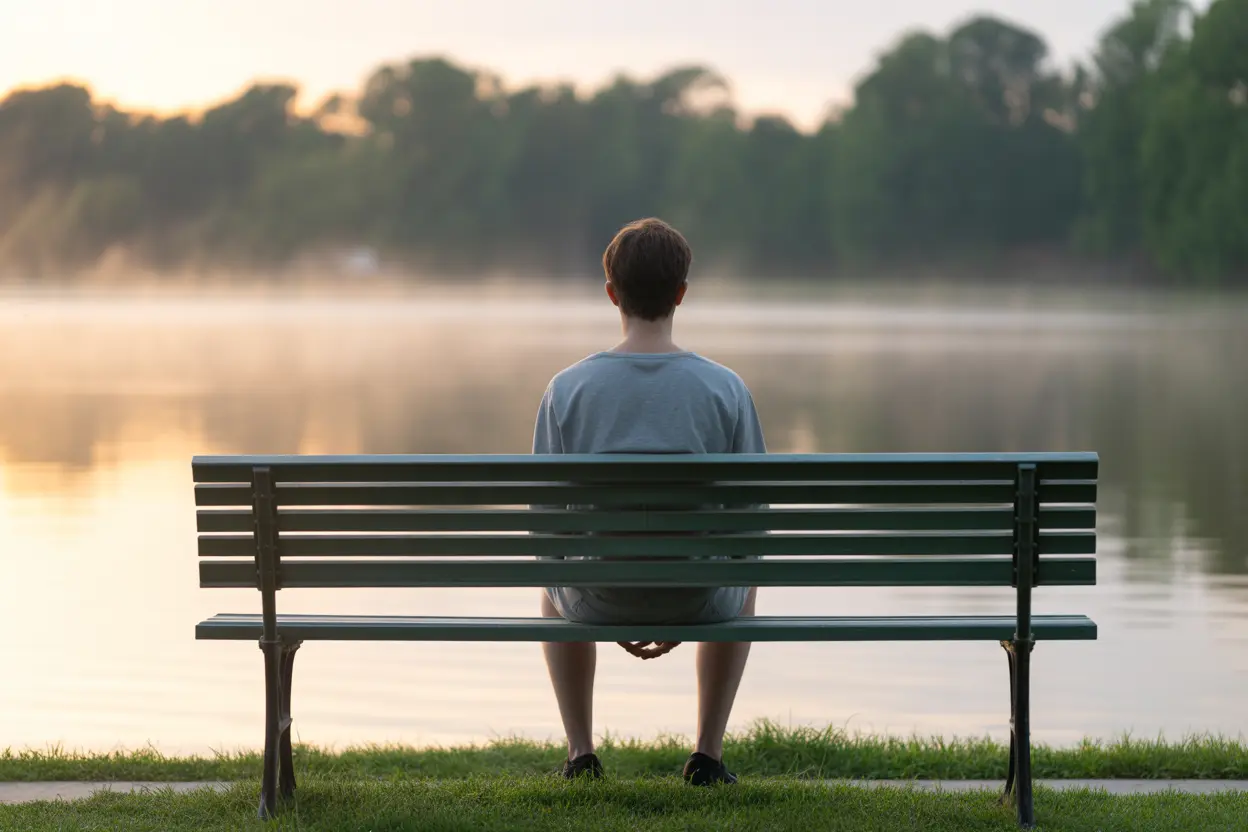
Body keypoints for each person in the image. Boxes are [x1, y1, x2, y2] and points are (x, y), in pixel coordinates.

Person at [531, 217, 767, 786]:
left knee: (549, 591)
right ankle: (707, 756)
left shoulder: (567, 389)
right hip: (699, 597)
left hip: (598, 598)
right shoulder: (725, 389)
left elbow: (546, 531)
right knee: (746, 584)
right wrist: (685, 586)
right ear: (681, 294)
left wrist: (607, 590)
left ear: (612, 293)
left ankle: (581, 755)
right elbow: (751, 524)